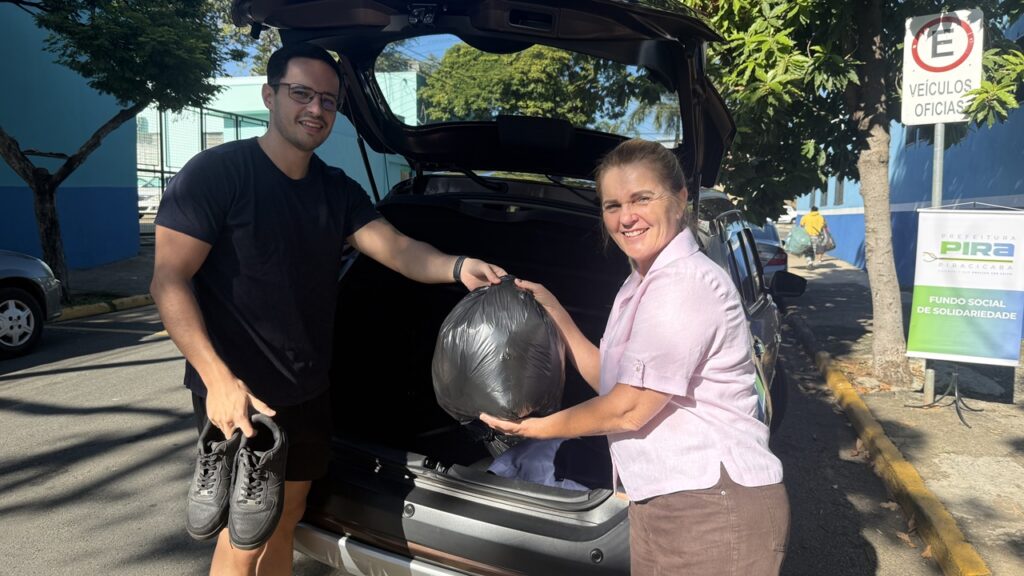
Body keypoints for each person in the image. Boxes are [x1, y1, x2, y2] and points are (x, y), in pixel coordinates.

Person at [151, 42, 505, 576]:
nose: (315, 109)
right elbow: (168, 281)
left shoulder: (335, 189)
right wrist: (217, 379)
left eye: (327, 100)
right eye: (301, 94)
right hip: (238, 389)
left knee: (288, 514)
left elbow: (399, 250)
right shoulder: (216, 173)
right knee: (242, 533)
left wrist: (458, 266)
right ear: (270, 95)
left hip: (308, 388)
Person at [480, 139, 789, 575]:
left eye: (641, 198)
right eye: (612, 205)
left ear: (680, 200)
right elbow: (611, 380)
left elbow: (629, 409)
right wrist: (554, 312)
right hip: (667, 502)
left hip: (713, 506)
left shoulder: (685, 284)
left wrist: (534, 429)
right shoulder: (638, 284)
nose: (626, 217)